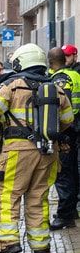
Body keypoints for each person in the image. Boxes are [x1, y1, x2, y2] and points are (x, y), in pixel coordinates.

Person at [0, 43, 74, 253]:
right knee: (38, 197)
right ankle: (40, 243)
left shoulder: (13, 85)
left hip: (17, 149)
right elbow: (68, 120)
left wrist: (0, 129)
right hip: (47, 150)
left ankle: (7, 242)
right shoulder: (55, 87)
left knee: (8, 194)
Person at [47, 47, 80, 230]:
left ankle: (65, 215)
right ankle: (71, 210)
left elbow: (62, 108)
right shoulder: (74, 75)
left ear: (51, 63)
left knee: (63, 174)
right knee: (72, 171)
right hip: (75, 128)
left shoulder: (60, 79)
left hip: (66, 130)